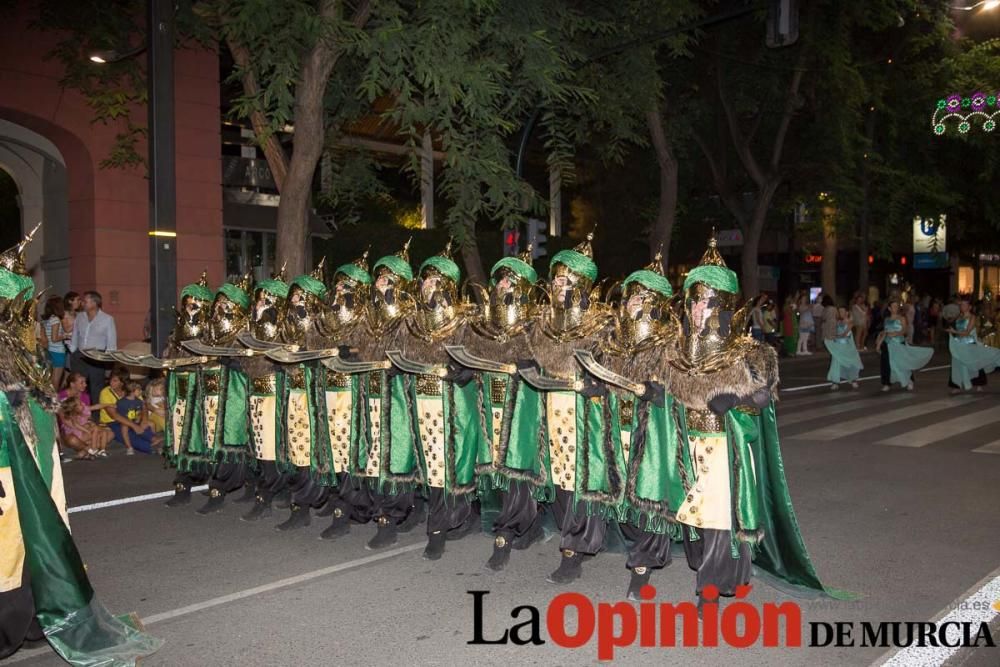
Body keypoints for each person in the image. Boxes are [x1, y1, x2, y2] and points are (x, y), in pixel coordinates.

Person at [0, 226, 162, 663]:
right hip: (11, 473)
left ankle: (31, 618)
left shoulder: (21, 359)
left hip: (26, 473)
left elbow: (35, 410)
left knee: (24, 548)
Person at [665, 234, 842, 608]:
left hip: (722, 451)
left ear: (725, 306)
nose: (700, 308)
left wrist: (733, 400)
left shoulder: (749, 350)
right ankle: (712, 570)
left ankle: (708, 590)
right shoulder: (676, 349)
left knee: (716, 521)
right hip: (685, 448)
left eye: (709, 301)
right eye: (696, 300)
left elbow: (763, 397)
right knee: (693, 524)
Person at [68, 291, 117, 406]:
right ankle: (77, 412)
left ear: (94, 303)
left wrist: (108, 363)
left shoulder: (107, 319)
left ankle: (96, 415)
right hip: (79, 356)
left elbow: (111, 344)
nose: (82, 303)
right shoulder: (80, 317)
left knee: (96, 387)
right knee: (78, 385)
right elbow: (75, 335)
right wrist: (73, 351)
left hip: (97, 357)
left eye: (85, 301)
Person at [876, 299, 933, 392]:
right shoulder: (886, 319)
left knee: (902, 363)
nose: (896, 308)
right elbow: (884, 333)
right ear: (889, 308)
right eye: (893, 306)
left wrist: (896, 333)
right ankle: (887, 383)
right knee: (886, 364)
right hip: (887, 344)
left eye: (897, 306)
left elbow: (904, 331)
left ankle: (909, 380)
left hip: (898, 343)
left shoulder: (901, 318)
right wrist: (878, 344)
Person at [946, 298, 1000, 393]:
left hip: (969, 343)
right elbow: (954, 328)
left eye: (964, 304)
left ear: (969, 307)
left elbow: (967, 332)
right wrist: (951, 329)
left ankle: (979, 384)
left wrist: (954, 331)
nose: (962, 306)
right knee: (956, 364)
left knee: (975, 364)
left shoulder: (972, 317)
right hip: (959, 344)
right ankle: (956, 386)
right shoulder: (958, 317)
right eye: (961, 304)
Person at [114, 381, 161, 455]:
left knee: (151, 423)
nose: (141, 392)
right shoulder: (121, 402)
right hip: (126, 422)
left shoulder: (139, 401)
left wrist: (141, 419)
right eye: (139, 390)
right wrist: (132, 423)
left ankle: (153, 438)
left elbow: (141, 411)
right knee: (124, 427)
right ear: (132, 391)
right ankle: (129, 447)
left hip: (136, 421)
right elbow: (120, 416)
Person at [825, 307, 863, 390]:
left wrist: (835, 336)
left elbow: (845, 334)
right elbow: (833, 332)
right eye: (839, 311)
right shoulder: (837, 322)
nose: (840, 313)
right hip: (838, 346)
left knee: (851, 363)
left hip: (847, 347)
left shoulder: (850, 322)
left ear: (847, 312)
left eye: (842, 311)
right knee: (836, 363)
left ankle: (853, 380)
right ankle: (835, 382)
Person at [41, 296, 68, 390]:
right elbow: (54, 338)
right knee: (56, 380)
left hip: (49, 351)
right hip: (57, 351)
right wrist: (66, 336)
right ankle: (54, 401)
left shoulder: (46, 319)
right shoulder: (55, 319)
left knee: (50, 379)